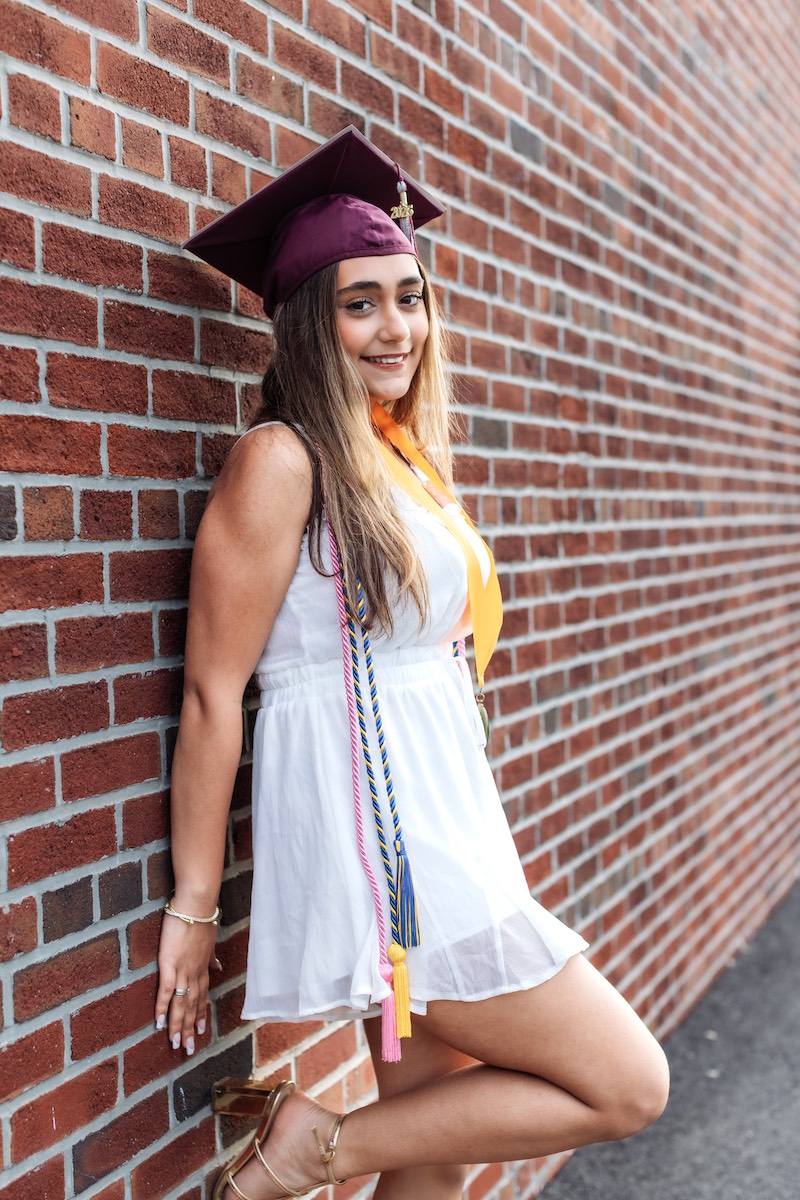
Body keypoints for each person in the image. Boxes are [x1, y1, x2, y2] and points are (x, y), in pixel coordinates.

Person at [155, 127, 669, 1200]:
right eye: (360, 303)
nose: (396, 327)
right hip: (389, 856)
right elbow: (213, 691)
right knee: (628, 1083)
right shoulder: (281, 458)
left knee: (432, 1164)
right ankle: (309, 1143)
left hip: (444, 827)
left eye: (409, 296)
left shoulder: (395, 460)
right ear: (308, 321)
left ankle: (328, 1145)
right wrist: (192, 907)